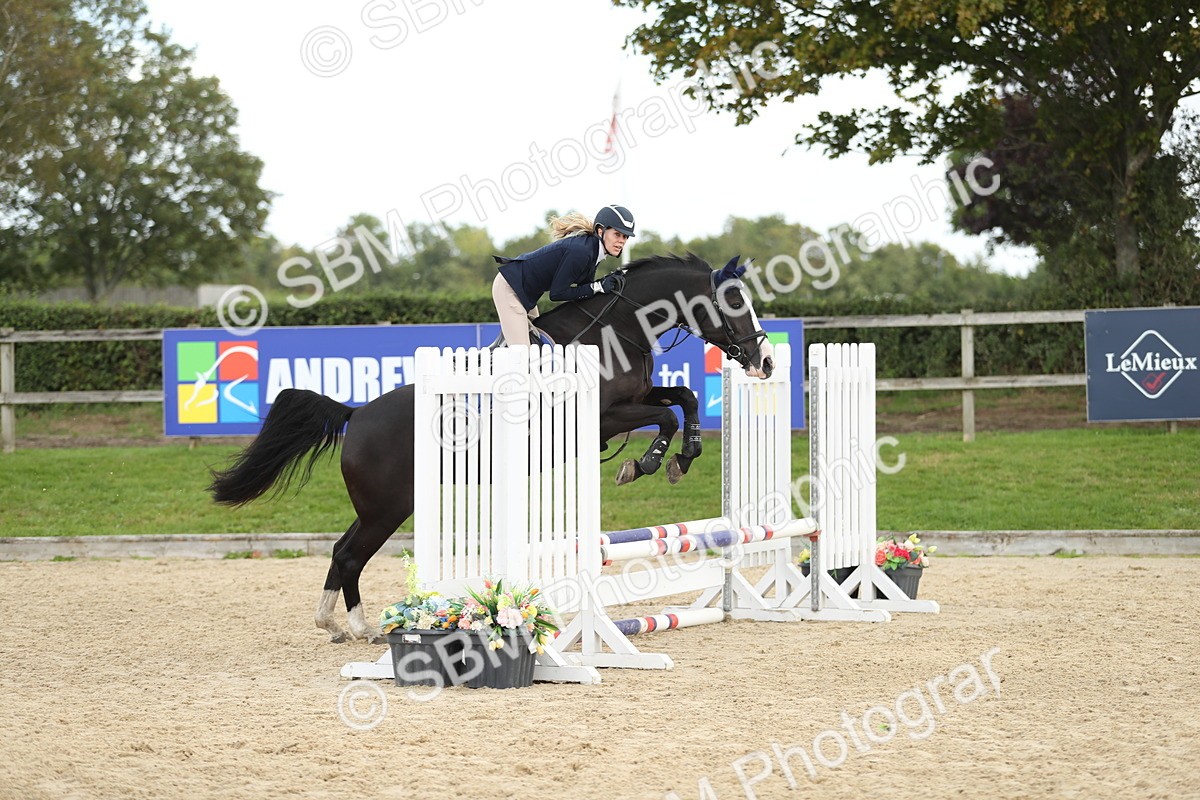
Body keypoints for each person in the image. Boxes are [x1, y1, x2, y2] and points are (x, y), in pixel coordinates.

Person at [491, 205, 635, 346]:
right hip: (510, 289)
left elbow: (585, 289)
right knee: (523, 355)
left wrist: (602, 285)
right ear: (600, 231)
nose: (621, 241)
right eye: (617, 234)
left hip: (525, 294)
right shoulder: (582, 252)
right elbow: (557, 294)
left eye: (625, 237)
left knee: (539, 345)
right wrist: (598, 287)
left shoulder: (592, 251)